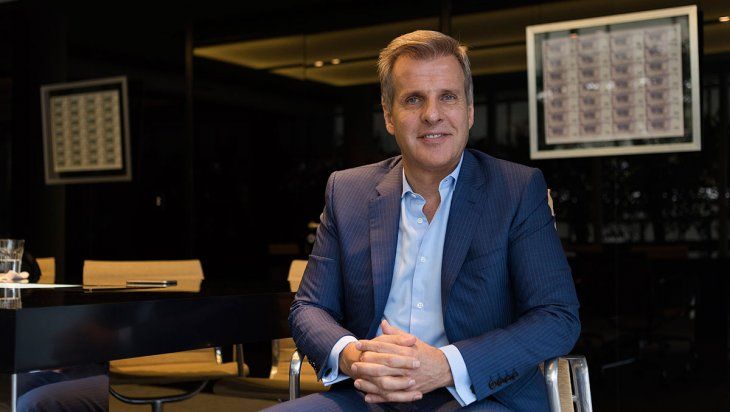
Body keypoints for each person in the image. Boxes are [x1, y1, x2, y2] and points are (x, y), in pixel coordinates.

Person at [268, 30, 580, 411]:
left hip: (478, 397)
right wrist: (355, 357)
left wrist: (446, 366)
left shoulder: (516, 190)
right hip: (370, 393)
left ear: (469, 111)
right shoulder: (347, 192)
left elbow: (557, 317)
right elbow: (309, 308)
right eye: (413, 99)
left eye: (447, 97)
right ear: (389, 115)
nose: (432, 114)